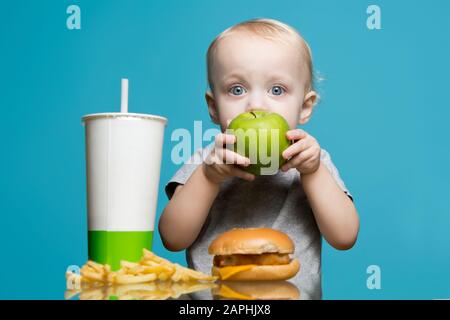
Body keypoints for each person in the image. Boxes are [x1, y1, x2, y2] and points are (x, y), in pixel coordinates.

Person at [159, 18, 359, 299]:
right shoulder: (206, 162)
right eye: (237, 90)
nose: (256, 105)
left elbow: (345, 236)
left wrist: (313, 174)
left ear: (305, 107)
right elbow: (172, 238)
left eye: (277, 90)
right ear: (214, 107)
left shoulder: (313, 162)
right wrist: (208, 177)